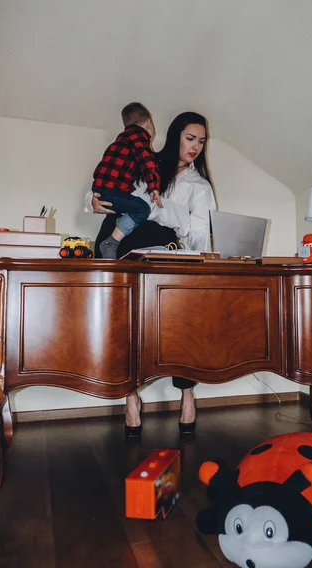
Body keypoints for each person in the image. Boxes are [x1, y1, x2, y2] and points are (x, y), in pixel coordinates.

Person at [86, 112, 216, 437]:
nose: (196, 147)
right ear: (175, 137)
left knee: (178, 323)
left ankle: (187, 393)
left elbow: (200, 232)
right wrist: (91, 202)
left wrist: (203, 263)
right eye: (190, 138)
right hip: (117, 239)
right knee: (122, 323)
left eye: (201, 141)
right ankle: (130, 397)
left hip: (161, 243)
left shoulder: (199, 185)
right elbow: (108, 184)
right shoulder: (146, 161)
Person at [92, 102, 162, 259]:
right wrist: (154, 187)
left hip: (102, 191)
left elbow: (99, 169)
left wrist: (95, 193)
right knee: (142, 209)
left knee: (133, 206)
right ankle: (111, 242)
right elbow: (147, 162)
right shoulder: (139, 138)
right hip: (112, 194)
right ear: (149, 121)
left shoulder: (117, 143)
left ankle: (113, 238)